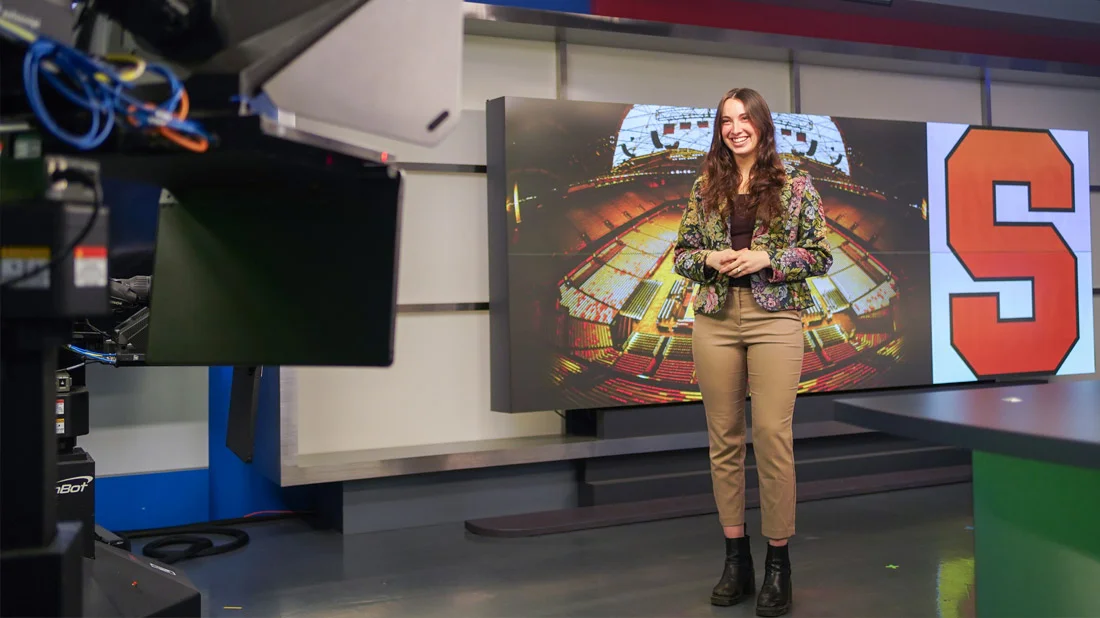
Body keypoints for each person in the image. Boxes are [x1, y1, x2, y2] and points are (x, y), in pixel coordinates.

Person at [673, 87, 833, 616]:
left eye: (744, 119)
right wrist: (714, 258)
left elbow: (820, 253)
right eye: (725, 122)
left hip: (775, 317)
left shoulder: (796, 186)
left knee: (771, 436)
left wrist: (766, 256)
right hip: (715, 318)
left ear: (762, 125)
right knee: (724, 438)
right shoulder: (704, 187)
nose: (735, 128)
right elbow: (683, 255)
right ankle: (735, 559)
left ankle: (778, 564)